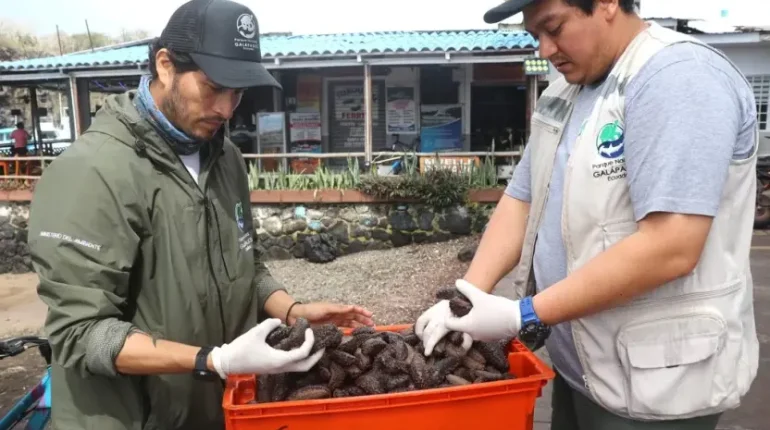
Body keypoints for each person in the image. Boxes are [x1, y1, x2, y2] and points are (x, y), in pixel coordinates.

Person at [27, 1, 373, 429]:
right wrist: (214, 359)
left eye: (239, 93)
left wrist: (292, 311)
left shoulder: (224, 157)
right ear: (166, 65)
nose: (227, 109)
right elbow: (79, 334)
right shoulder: (92, 172)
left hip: (214, 409)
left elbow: (245, 265)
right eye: (213, 87)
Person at [416, 0, 759, 429]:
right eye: (534, 36)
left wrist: (521, 315)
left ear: (608, 3)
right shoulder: (565, 91)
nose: (544, 49)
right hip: (583, 365)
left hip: (658, 383)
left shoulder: (677, 78)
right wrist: (469, 296)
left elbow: (672, 245)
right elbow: (523, 199)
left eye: (554, 28)